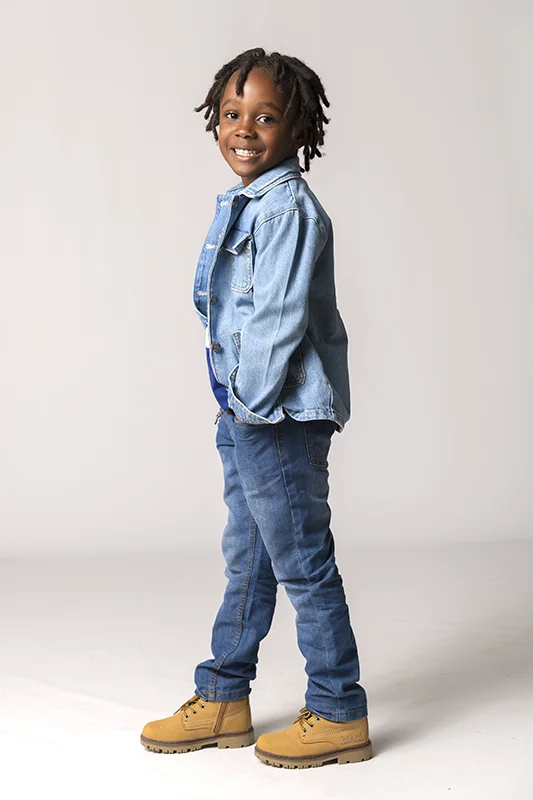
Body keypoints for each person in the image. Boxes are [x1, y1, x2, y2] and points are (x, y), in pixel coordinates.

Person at [140, 47, 372, 770]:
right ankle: (225, 696)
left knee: (302, 562)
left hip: (275, 417)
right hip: (245, 415)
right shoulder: (245, 203)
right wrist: (234, 407)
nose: (244, 129)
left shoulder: (288, 211)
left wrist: (246, 404)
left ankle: (338, 710)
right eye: (232, 114)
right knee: (248, 560)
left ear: (297, 127)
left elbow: (276, 322)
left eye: (265, 117)